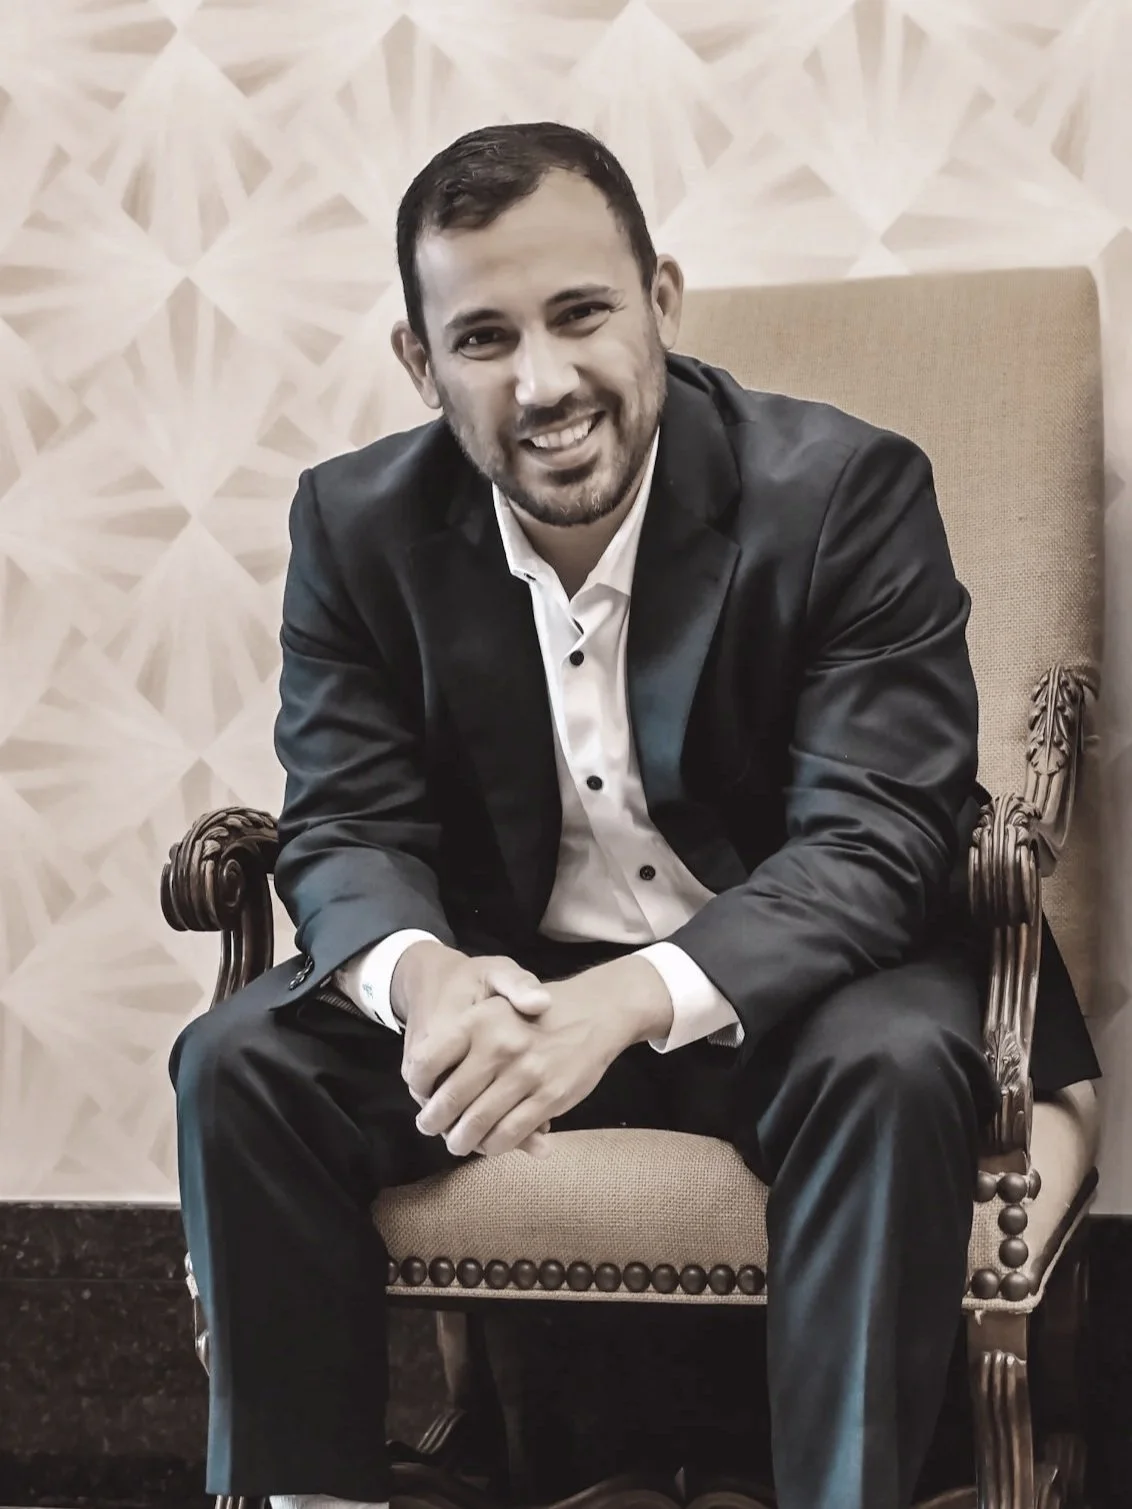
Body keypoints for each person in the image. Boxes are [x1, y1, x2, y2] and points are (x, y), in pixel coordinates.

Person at [169, 122, 1100, 1509]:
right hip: (513, 983)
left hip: (805, 979)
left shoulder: (843, 493)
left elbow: (879, 841)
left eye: (581, 314)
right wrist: (420, 980)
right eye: (483, 338)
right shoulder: (353, 525)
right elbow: (349, 820)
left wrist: (627, 1000)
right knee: (242, 1059)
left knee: (897, 1060)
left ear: (661, 301)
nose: (544, 382)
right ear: (420, 366)